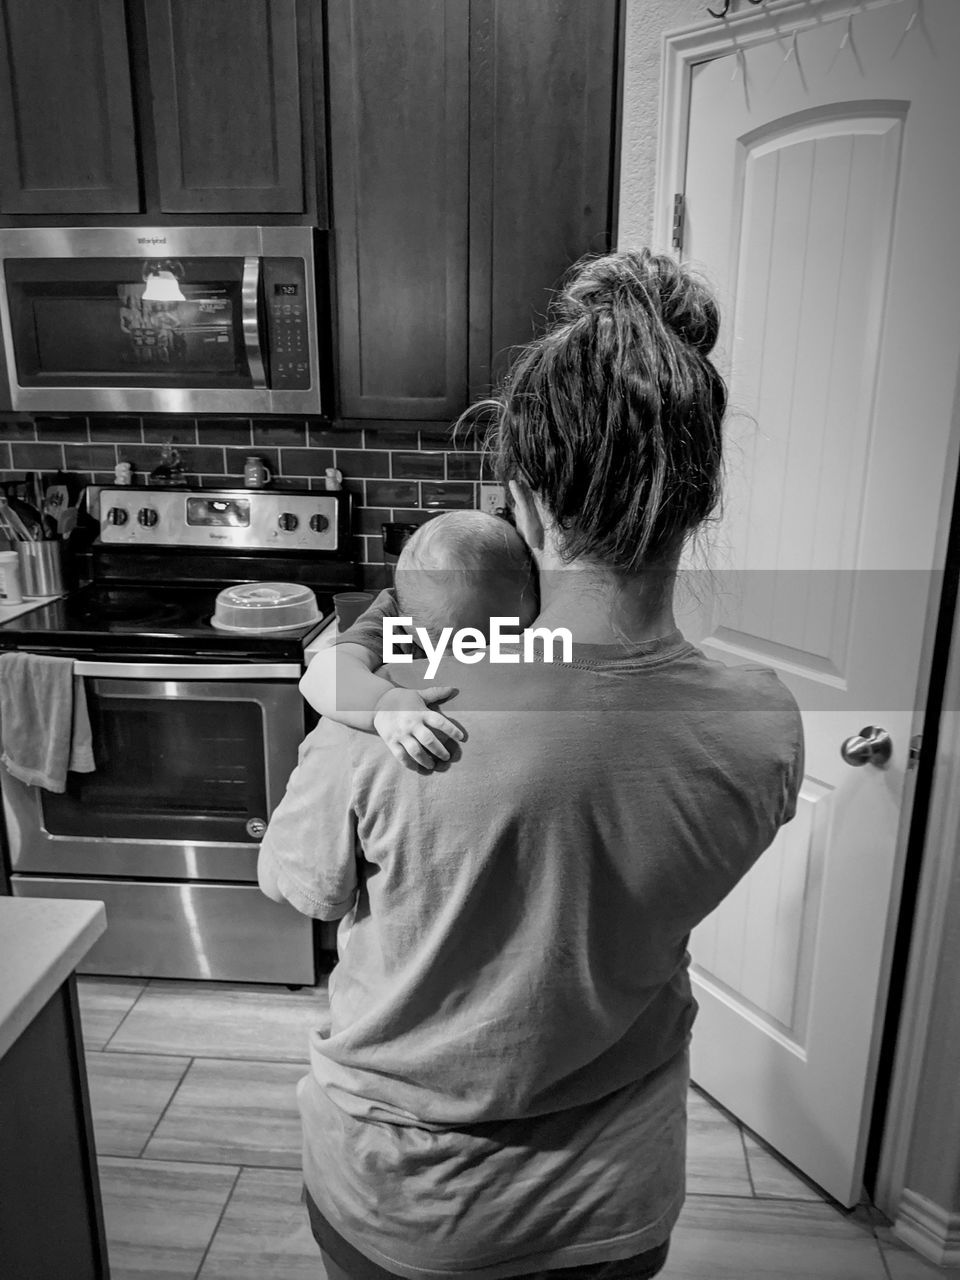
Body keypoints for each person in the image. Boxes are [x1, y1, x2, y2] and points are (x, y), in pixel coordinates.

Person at [258, 248, 804, 1280]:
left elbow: (298, 885)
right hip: (617, 1199)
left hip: (406, 1203)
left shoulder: (391, 722)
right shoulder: (767, 726)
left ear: (530, 505)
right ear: (694, 503)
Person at [300, 509, 538, 768]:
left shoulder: (533, 611)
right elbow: (321, 674)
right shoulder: (392, 618)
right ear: (410, 627)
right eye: (454, 649)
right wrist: (383, 704)